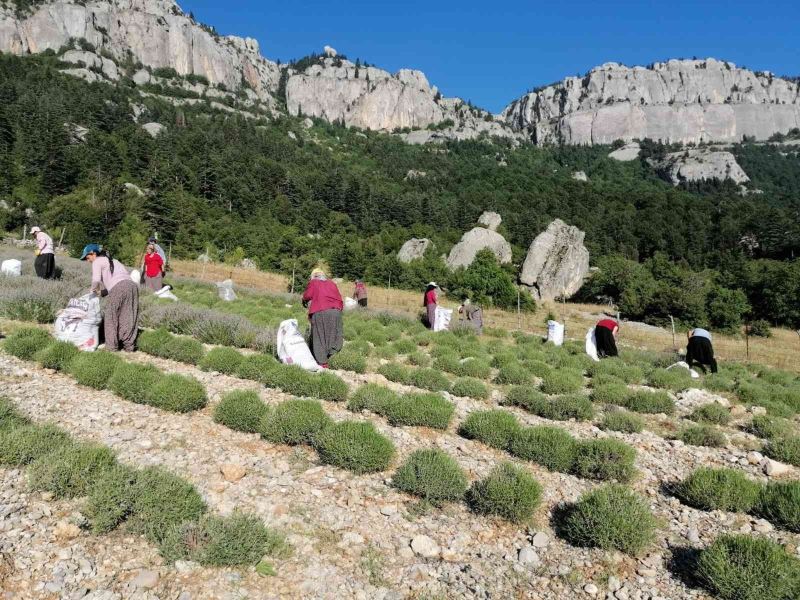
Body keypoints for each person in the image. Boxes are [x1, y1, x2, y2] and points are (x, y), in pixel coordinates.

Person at [80, 244, 139, 352]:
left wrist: (92, 290)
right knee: (128, 315)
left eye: (87, 258)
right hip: (132, 287)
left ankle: (112, 347)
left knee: (111, 316)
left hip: (119, 287)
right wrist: (102, 292)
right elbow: (120, 280)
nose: (88, 261)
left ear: (93, 253)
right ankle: (129, 346)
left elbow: (96, 280)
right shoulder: (114, 261)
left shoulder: (97, 261)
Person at [301, 268, 344, 367]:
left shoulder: (314, 282)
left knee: (319, 336)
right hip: (336, 311)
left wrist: (304, 299)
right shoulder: (332, 283)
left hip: (320, 310)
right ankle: (332, 356)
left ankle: (322, 363)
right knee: (333, 335)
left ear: (313, 276)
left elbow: (307, 295)